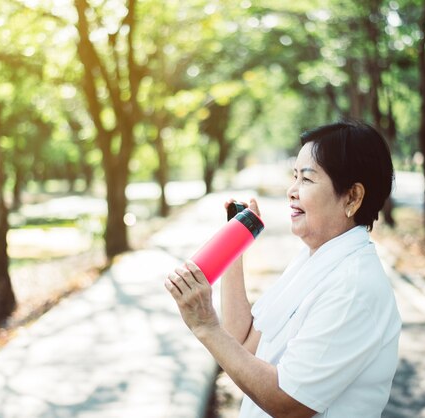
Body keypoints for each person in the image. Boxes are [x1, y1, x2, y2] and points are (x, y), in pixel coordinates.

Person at [165, 120, 401, 418]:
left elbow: (288, 402)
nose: (292, 191)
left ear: (352, 197)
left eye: (307, 179)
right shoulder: (313, 259)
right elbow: (244, 342)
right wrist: (233, 247)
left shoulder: (353, 288)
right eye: (294, 177)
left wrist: (205, 325)